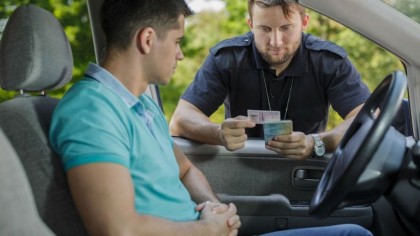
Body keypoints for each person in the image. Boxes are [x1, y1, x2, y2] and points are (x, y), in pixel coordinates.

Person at [49, 0, 372, 235]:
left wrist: (216, 210)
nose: (180, 54)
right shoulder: (91, 111)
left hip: (202, 228)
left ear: (303, 23)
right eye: (177, 41)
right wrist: (207, 229)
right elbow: (117, 229)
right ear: (147, 40)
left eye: (285, 28)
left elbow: (185, 168)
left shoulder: (142, 106)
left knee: (351, 233)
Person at [169, 0, 371, 160]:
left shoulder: (329, 61)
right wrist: (217, 133)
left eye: (286, 28)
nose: (276, 42)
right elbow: (180, 119)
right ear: (251, 25)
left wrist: (317, 142)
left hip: (305, 170)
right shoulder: (226, 58)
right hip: (240, 170)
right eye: (264, 29)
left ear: (304, 22)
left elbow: (367, 118)